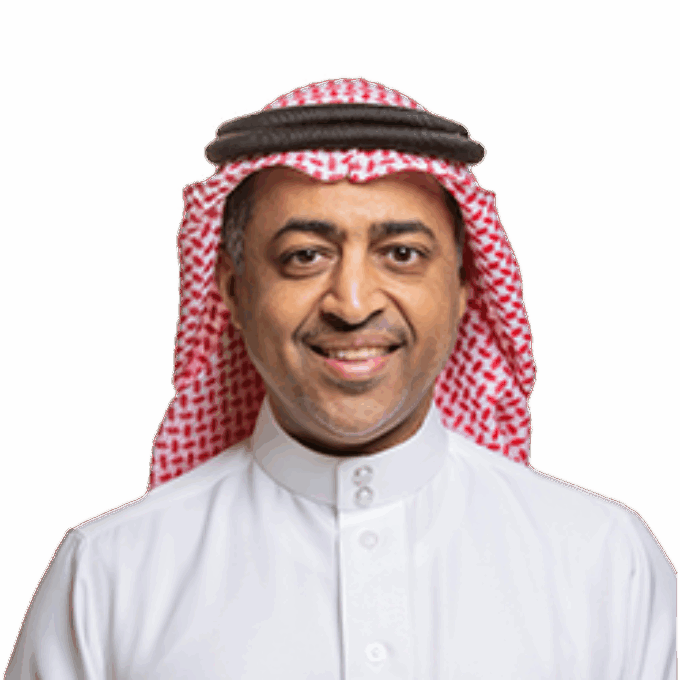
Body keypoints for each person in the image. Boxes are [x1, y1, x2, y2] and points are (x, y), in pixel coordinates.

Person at [6, 78, 676, 679]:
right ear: (234, 290)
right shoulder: (108, 573)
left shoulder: (604, 563)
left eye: (402, 254)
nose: (353, 304)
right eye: (305, 256)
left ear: (464, 284)